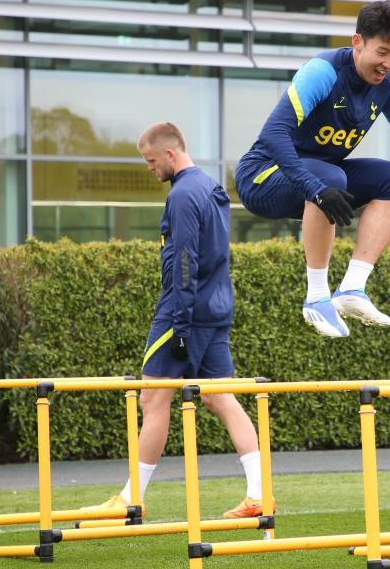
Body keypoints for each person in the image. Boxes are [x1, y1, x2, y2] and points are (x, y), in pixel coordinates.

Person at [235, 0, 390, 339]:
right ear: (357, 42)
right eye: (382, 52)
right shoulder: (323, 71)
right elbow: (273, 134)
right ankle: (316, 297)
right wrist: (314, 187)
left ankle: (352, 289)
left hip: (322, 179)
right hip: (262, 178)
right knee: (331, 176)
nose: (389, 63)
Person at [84, 122, 269, 520]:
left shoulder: (184, 194)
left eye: (151, 161)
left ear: (170, 154)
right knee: (221, 397)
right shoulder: (210, 186)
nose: (149, 168)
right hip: (217, 308)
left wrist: (180, 328)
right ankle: (259, 494)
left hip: (183, 312)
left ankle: (132, 498)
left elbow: (184, 263)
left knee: (152, 399)